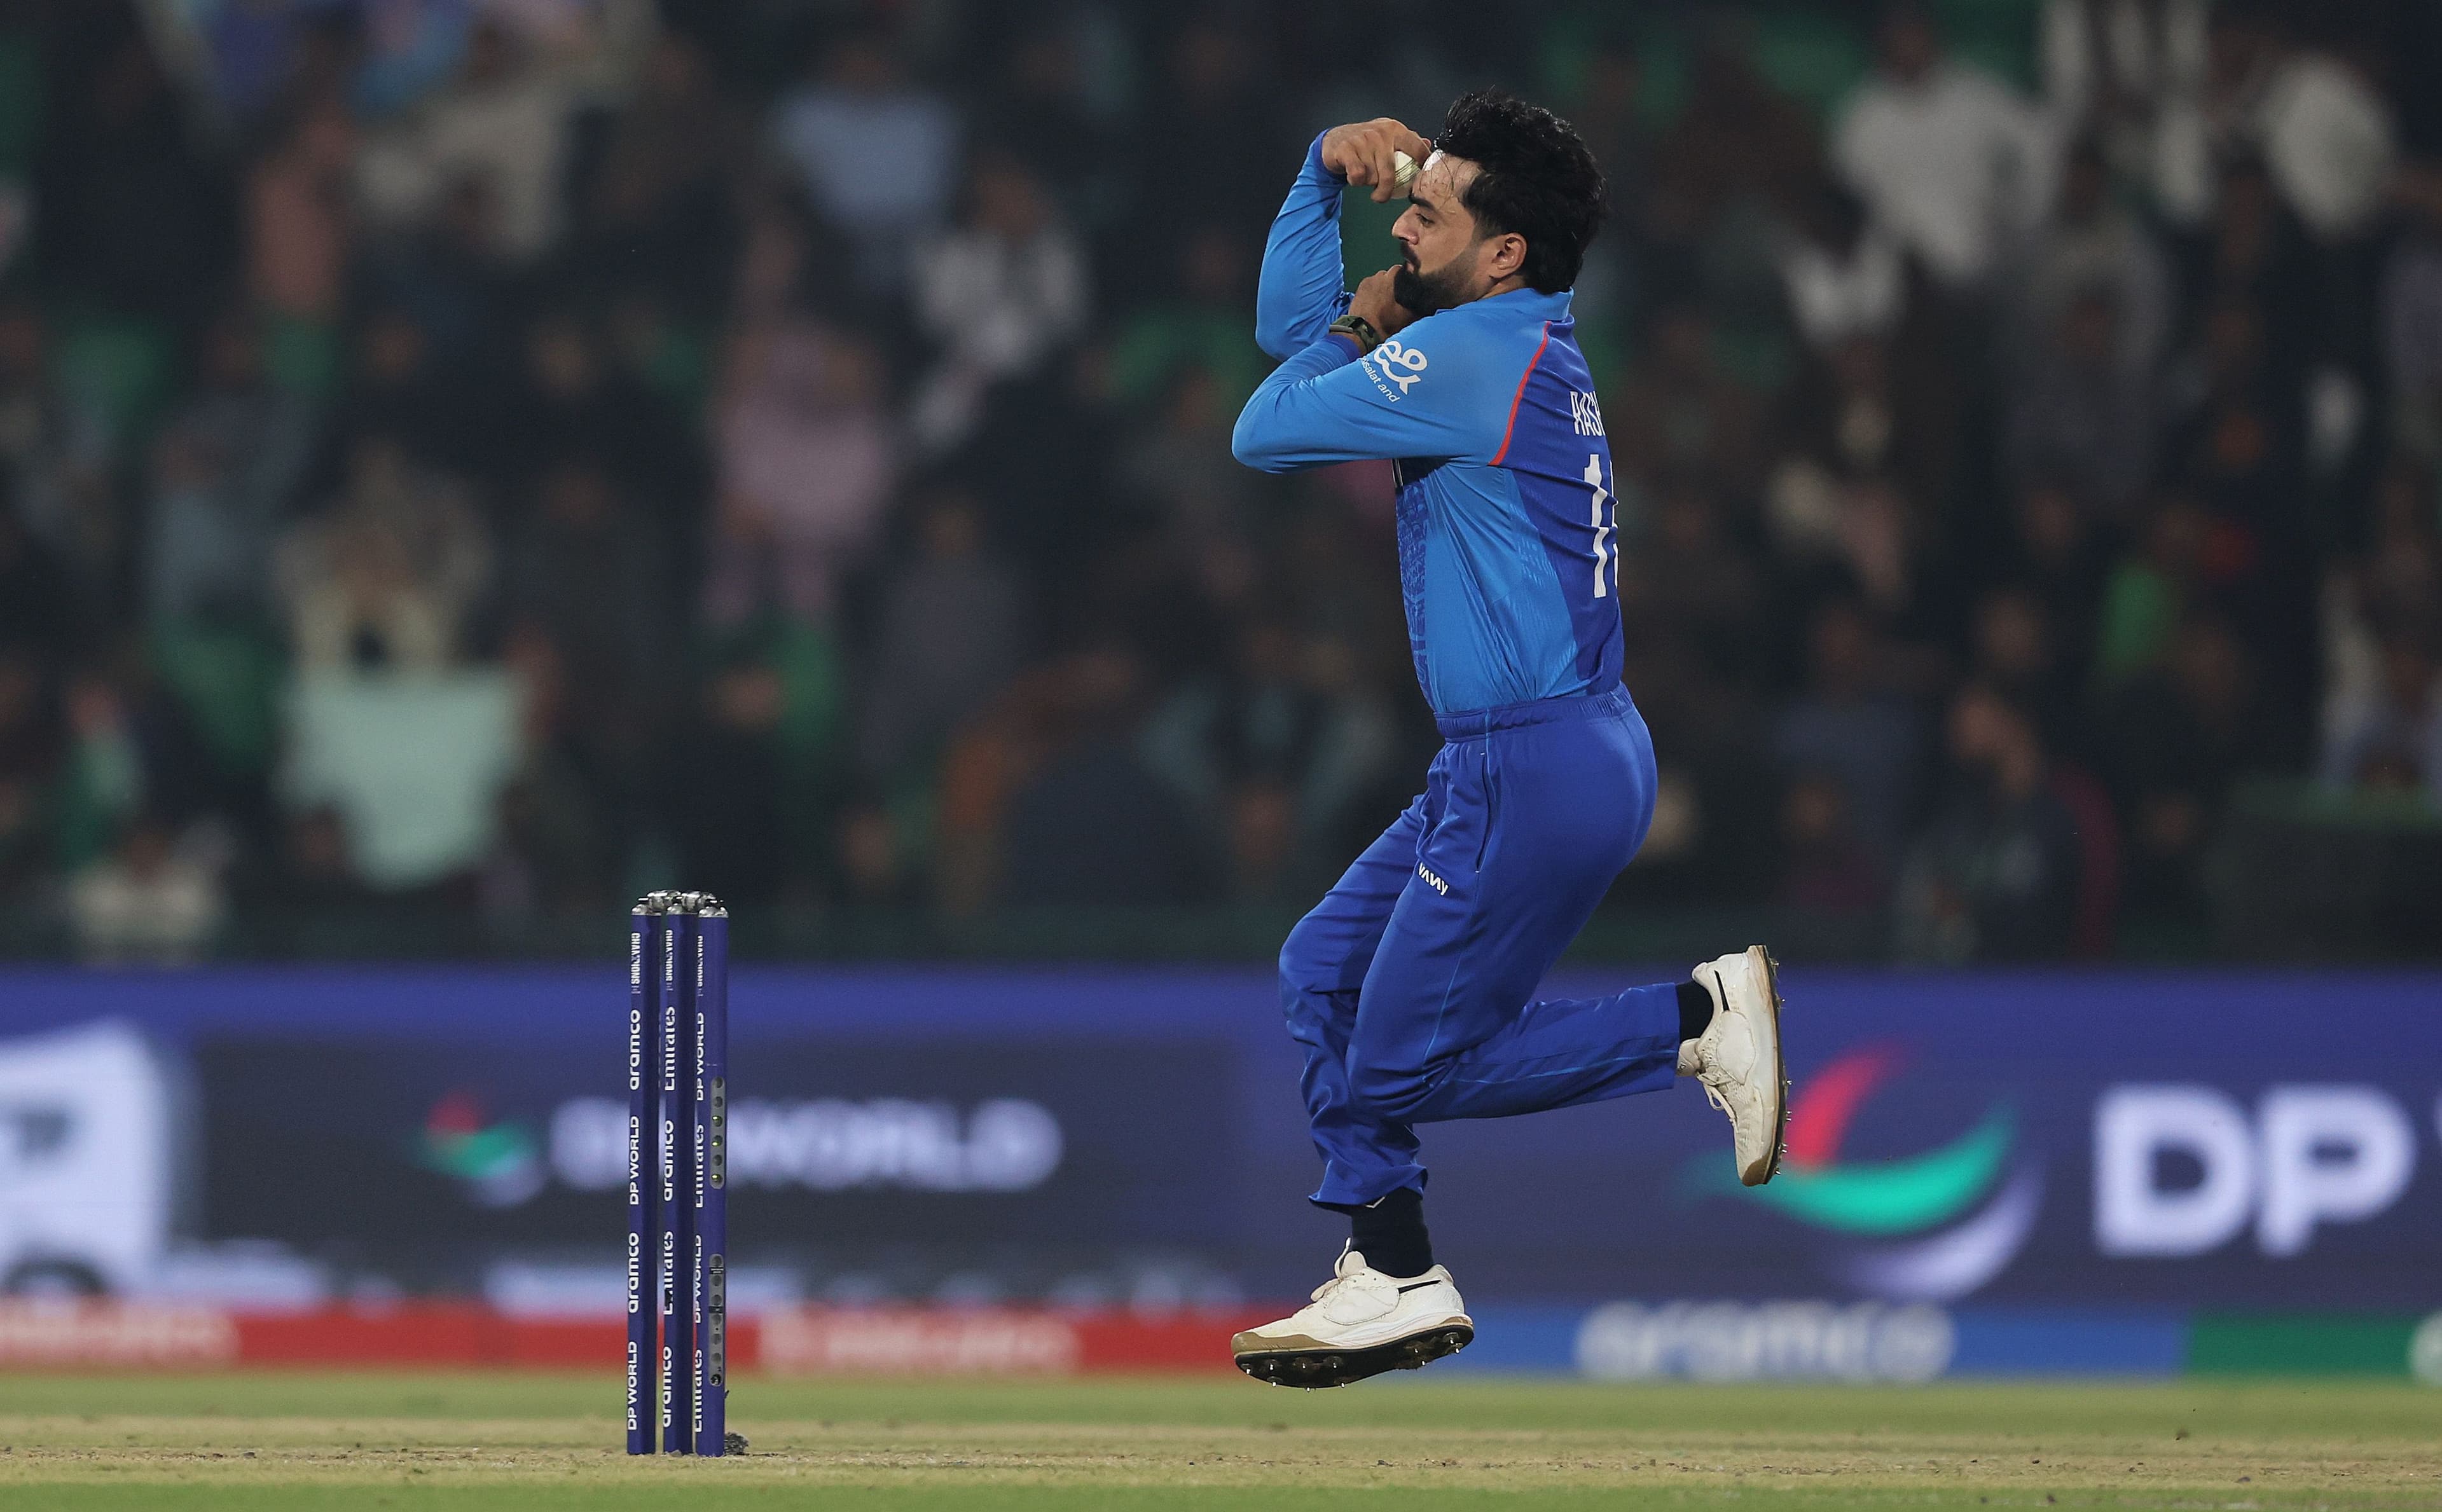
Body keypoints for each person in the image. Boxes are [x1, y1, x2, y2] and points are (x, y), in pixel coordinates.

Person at [1225, 92, 1790, 1389]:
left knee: (1407, 1059)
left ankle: (1692, 1019)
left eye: (1429, 213)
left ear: (1504, 256)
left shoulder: (1471, 357)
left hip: (1532, 761)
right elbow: (1287, 339)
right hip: (1536, 753)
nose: (1405, 224)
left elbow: (1264, 422)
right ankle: (1392, 1263)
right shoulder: (1508, 332)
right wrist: (1323, 176)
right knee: (1321, 969)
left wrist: (1363, 317)